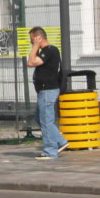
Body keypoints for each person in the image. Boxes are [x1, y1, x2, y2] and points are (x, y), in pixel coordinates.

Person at [26, 26, 68, 160]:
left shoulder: (50, 50)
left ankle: (50, 151)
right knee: (40, 118)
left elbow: (31, 62)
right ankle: (61, 141)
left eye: (32, 39)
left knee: (46, 121)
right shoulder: (46, 51)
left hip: (48, 90)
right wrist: (37, 47)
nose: (31, 42)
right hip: (44, 91)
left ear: (39, 38)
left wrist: (36, 46)